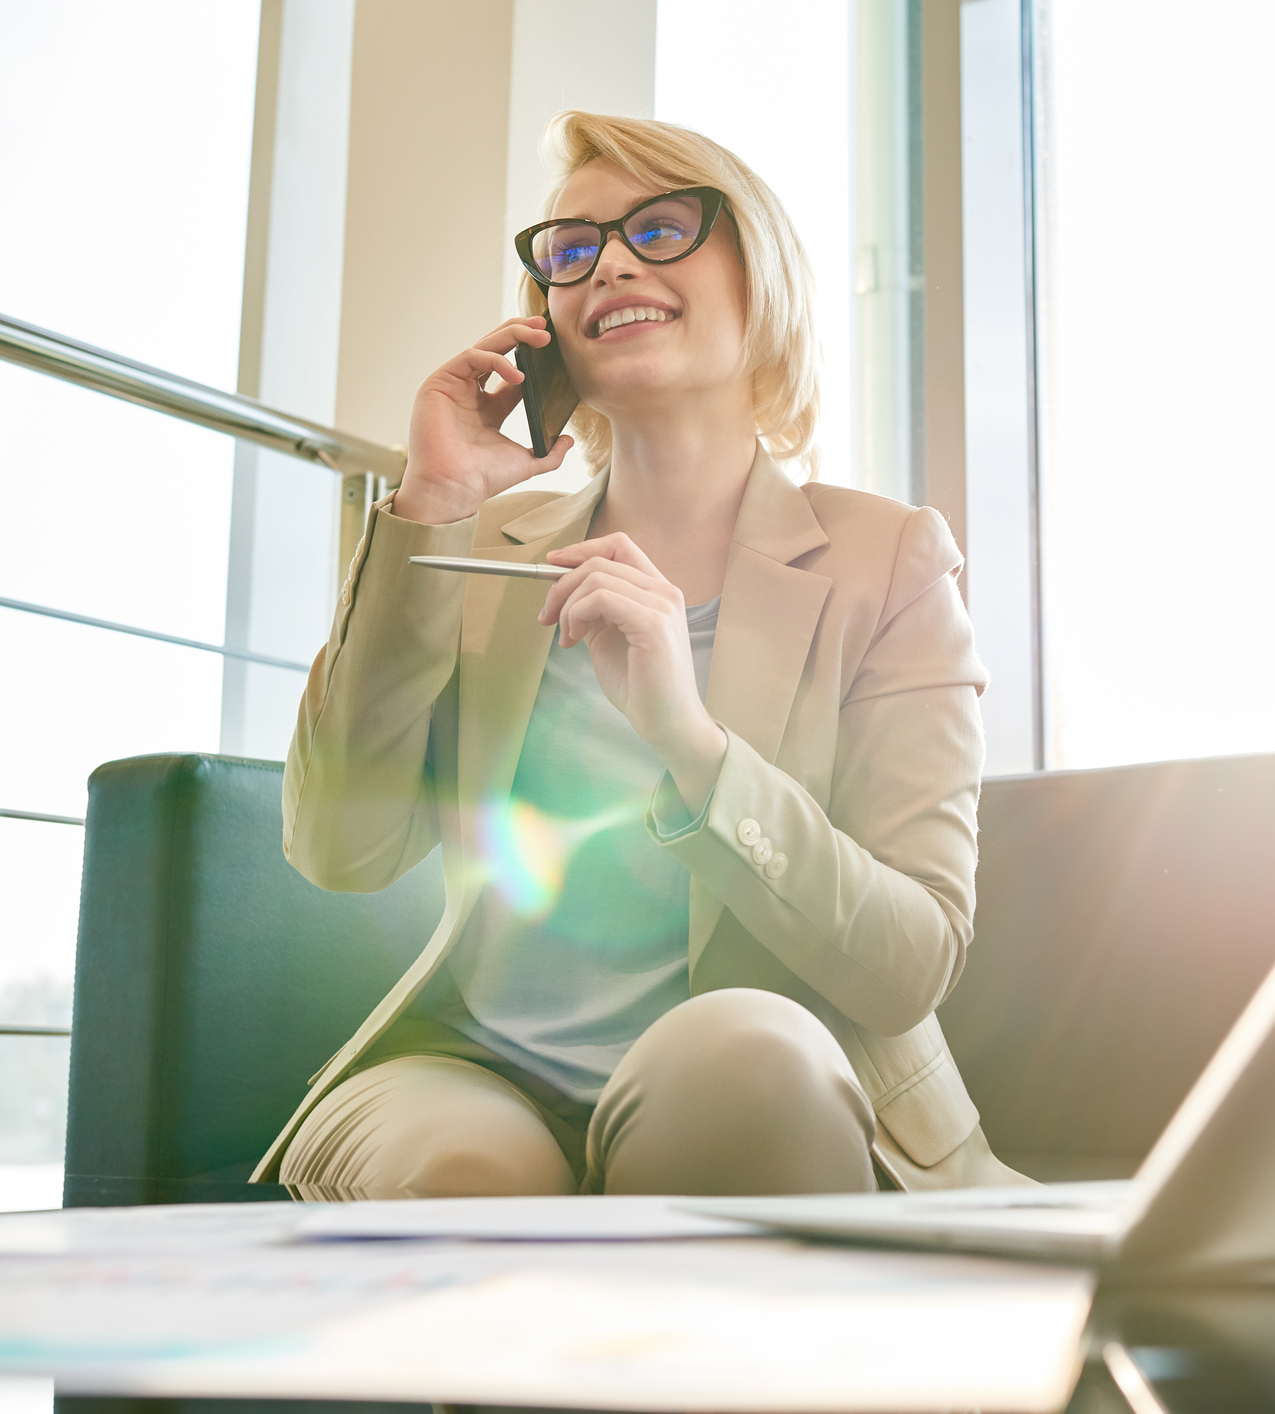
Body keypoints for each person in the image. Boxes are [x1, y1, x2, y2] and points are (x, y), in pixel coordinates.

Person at [250, 112, 1029, 1199]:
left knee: (740, 1060)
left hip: (760, 1075)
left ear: (759, 275)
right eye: (570, 250)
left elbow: (910, 961)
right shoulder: (469, 548)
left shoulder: (889, 560)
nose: (608, 259)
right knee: (468, 1168)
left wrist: (691, 743)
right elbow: (339, 844)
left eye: (659, 228)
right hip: (482, 1077)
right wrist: (428, 504)